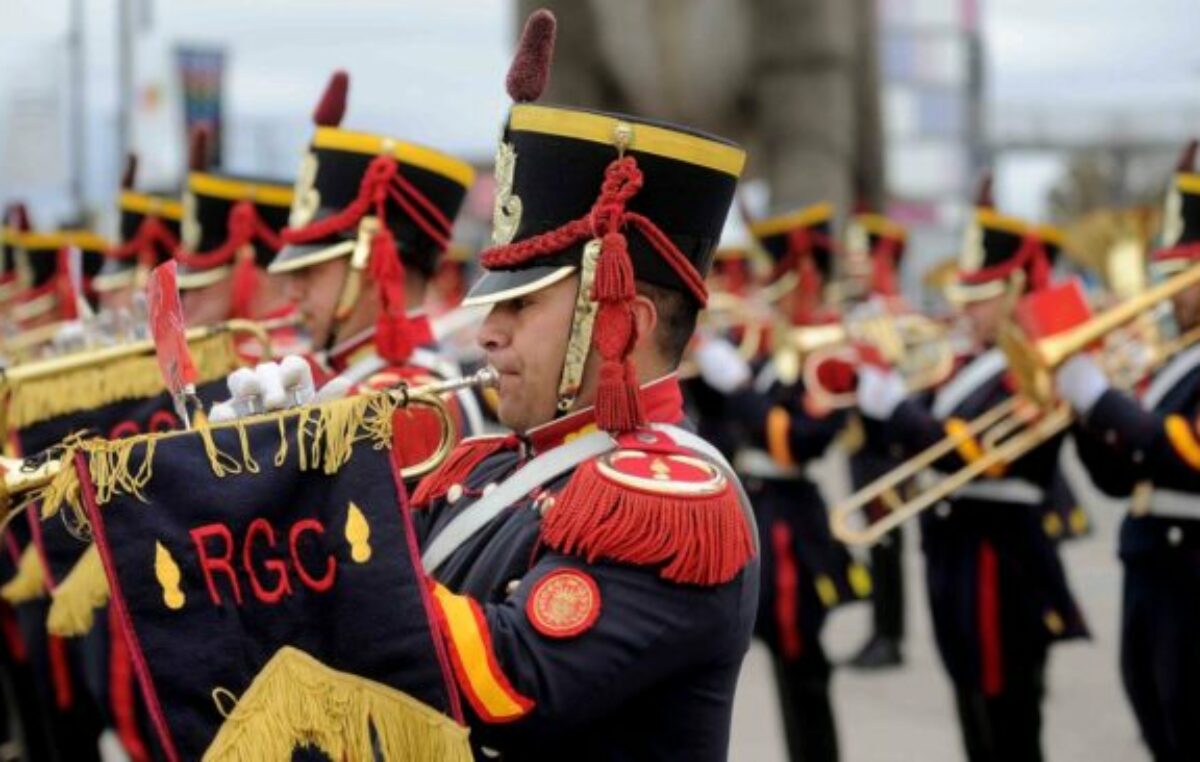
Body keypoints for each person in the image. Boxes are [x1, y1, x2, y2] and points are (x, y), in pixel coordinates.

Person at [410, 11, 759, 759]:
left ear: (622, 325)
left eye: (522, 303)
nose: (488, 332)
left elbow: (505, 685)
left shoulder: (666, 500)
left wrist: (341, 537)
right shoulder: (491, 466)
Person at [858, 179, 1088, 762]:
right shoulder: (968, 360)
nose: (966, 308)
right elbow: (922, 444)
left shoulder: (1033, 360)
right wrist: (888, 404)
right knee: (972, 711)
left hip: (1002, 558)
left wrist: (897, 407)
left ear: (1013, 290)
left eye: (980, 296)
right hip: (954, 548)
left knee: (1008, 721)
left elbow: (981, 451)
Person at [698, 199, 869, 762]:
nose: (767, 290)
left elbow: (797, 440)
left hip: (794, 521)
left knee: (805, 673)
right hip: (753, 510)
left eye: (780, 277)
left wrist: (739, 384)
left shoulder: (833, 351)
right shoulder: (772, 344)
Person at [1054, 139, 1200, 761]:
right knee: (1158, 723)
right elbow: (1121, 479)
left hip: (1191, 569)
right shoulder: (1169, 362)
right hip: (1151, 565)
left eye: (1181, 279)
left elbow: (1184, 454)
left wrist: (1104, 402)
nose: (1167, 295)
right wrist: (1086, 420)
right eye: (1162, 276)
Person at [256, 70, 483, 461]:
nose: (293, 292)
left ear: (370, 259)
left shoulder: (410, 398)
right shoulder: (351, 376)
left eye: (310, 271)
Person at [842, 204, 910, 670]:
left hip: (885, 446)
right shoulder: (864, 311)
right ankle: (882, 630)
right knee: (876, 539)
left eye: (862, 257)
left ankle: (890, 635)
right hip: (862, 444)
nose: (852, 264)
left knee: (887, 542)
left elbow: (892, 387)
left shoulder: (890, 314)